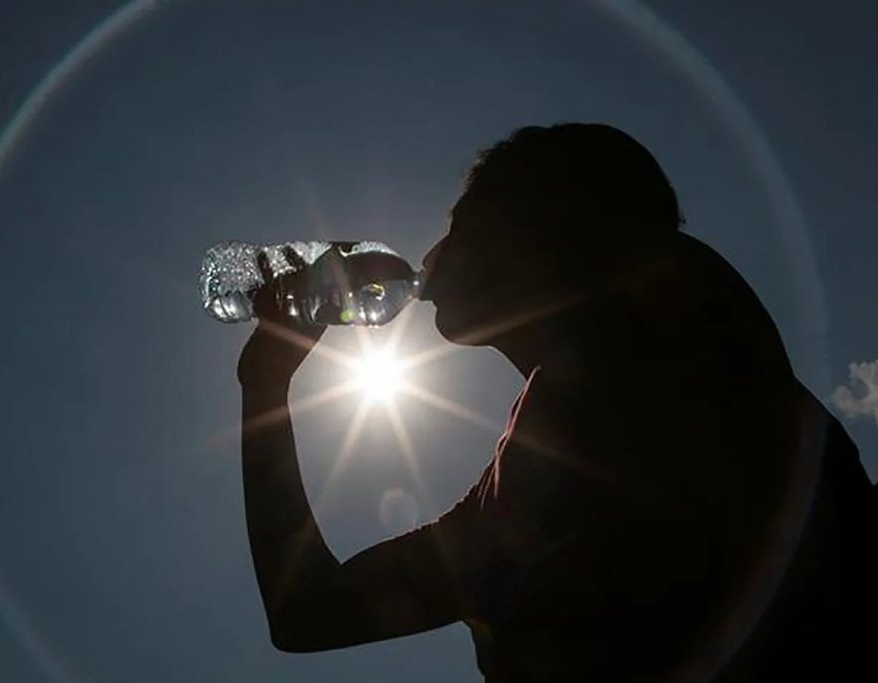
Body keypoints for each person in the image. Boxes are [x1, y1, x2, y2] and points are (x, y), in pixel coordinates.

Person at [235, 123, 876, 681]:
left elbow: (639, 251)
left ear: (531, 234)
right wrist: (265, 387)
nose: (431, 257)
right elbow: (309, 613)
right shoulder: (508, 504)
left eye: (458, 228)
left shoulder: (691, 344)